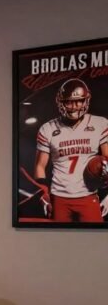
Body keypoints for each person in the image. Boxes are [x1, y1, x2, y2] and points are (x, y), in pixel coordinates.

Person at [33, 78, 108, 222]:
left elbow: (107, 160)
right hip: (59, 197)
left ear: (86, 100)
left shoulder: (100, 124)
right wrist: (44, 192)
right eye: (69, 101)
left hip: (88, 195)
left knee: (95, 235)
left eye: (79, 101)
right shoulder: (47, 129)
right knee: (59, 236)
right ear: (60, 102)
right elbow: (39, 166)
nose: (74, 106)